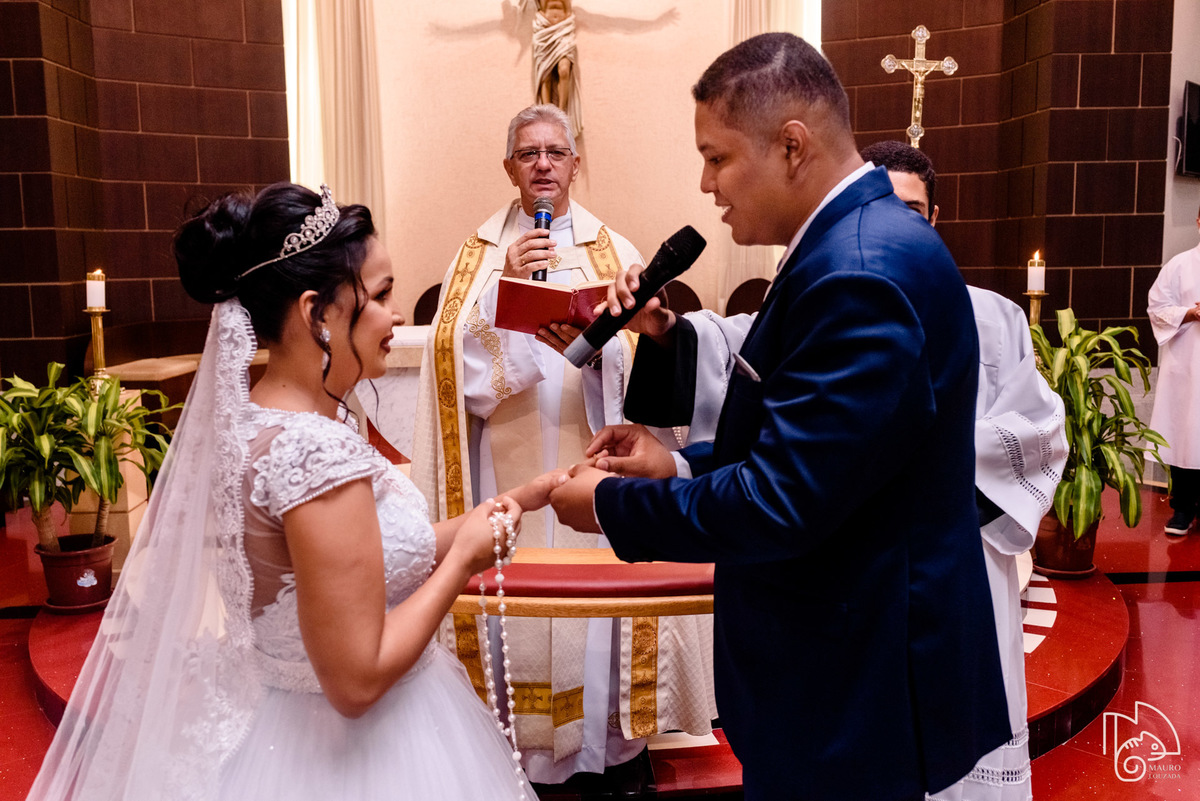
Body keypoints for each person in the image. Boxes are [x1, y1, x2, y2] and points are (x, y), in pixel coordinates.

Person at [550, 33, 1011, 801]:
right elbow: (814, 446)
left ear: (792, 145)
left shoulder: (860, 272)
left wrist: (608, 505)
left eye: (718, 156)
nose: (706, 183)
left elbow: (782, 501)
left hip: (852, 680)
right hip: (839, 663)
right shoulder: (846, 246)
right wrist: (680, 463)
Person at [28, 182, 562, 800]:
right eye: (382, 295)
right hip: (357, 755)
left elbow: (364, 555)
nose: (395, 317)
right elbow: (356, 682)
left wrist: (517, 500)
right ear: (316, 313)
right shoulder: (317, 456)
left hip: (275, 726)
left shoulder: (261, 423)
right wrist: (466, 558)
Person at [412, 104, 715, 783]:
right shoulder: (479, 256)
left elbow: (654, 366)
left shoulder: (617, 251)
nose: (543, 163)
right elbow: (453, 372)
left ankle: (608, 754)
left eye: (555, 151)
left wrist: (599, 338)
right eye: (528, 153)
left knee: (597, 618)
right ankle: (517, 762)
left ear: (576, 164)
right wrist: (501, 296)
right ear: (510, 168)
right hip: (509, 475)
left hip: (594, 460)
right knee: (515, 616)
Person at [1148, 202, 1200, 536]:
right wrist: (1189, 313)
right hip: (1188, 365)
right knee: (1186, 435)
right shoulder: (1180, 265)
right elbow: (1157, 306)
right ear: (1198, 221)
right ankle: (1182, 509)